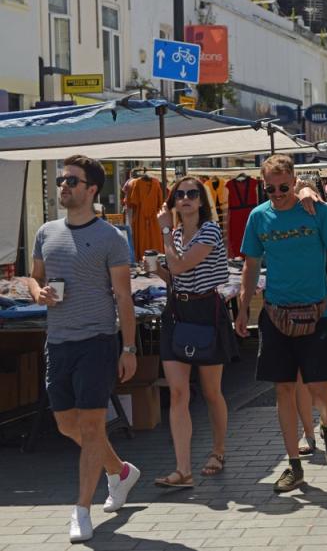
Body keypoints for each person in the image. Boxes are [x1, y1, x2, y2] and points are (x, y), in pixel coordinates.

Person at [28, 155, 140, 543]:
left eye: (72, 181)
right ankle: (121, 472)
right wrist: (36, 291)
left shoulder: (111, 237)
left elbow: (124, 297)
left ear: (93, 189)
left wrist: (129, 347)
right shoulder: (46, 231)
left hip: (97, 340)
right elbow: (34, 277)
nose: (64, 185)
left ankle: (81, 511)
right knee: (67, 425)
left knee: (91, 426)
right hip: (57, 341)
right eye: (61, 179)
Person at [235, 154, 327, 493]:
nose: (278, 194)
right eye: (270, 189)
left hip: (317, 311)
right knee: (283, 389)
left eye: (284, 187)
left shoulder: (316, 211)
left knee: (318, 388)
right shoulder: (259, 217)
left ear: (295, 180)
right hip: (275, 314)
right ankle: (293, 465)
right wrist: (243, 309)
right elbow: (250, 266)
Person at [150, 176, 236, 488]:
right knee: (177, 392)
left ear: (201, 201)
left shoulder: (209, 230)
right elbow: (174, 275)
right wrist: (155, 269)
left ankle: (218, 451)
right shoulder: (174, 232)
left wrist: (162, 233)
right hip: (177, 310)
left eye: (192, 194)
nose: (185, 198)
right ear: (173, 202)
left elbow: (183, 265)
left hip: (205, 311)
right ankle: (182, 469)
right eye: (180, 194)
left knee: (211, 391)